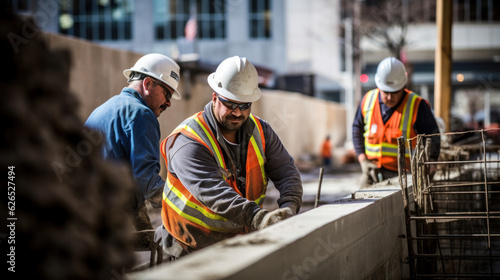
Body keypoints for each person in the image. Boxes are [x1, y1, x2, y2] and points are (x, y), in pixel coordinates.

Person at [155, 56, 303, 257]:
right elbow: (212, 192)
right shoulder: (188, 140)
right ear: (215, 97)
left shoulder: (261, 131)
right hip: (190, 246)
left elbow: (286, 172)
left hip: (239, 242)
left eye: (244, 105)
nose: (238, 113)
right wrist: (259, 219)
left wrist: (290, 207)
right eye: (231, 104)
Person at [85, 53, 181, 230]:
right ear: (147, 83)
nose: (168, 103)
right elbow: (148, 183)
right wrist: (185, 204)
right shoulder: (142, 115)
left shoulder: (102, 109)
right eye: (167, 94)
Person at [352, 57, 440, 188]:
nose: (389, 97)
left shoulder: (417, 105)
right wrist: (363, 160)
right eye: (385, 92)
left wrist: (431, 164)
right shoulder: (368, 100)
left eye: (394, 92)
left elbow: (434, 137)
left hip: (405, 176)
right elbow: (357, 129)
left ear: (403, 86)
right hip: (372, 171)